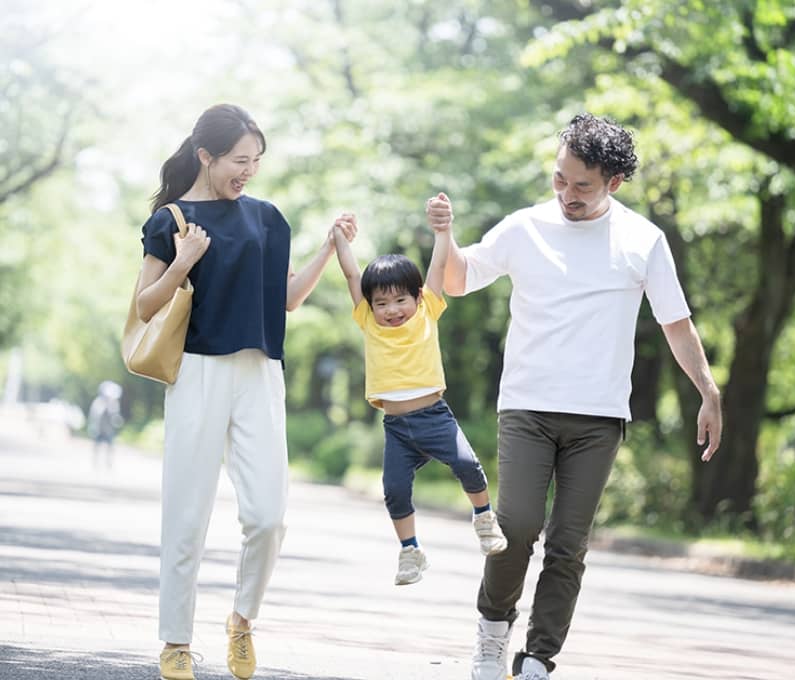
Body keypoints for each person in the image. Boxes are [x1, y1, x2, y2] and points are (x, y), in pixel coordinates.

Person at [429, 113, 723, 680]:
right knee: (515, 527)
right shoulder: (524, 227)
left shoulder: (643, 240)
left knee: (568, 543)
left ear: (613, 181)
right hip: (527, 408)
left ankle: (539, 656)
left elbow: (677, 325)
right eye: (559, 179)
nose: (566, 194)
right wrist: (445, 237)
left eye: (582, 185)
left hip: (599, 418)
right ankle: (492, 633)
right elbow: (458, 281)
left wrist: (708, 391)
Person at [133, 104, 354, 680]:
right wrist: (182, 261)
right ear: (206, 156)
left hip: (261, 373)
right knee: (187, 514)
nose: (248, 170)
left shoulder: (268, 218)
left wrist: (329, 249)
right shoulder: (173, 219)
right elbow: (144, 305)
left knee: (268, 516)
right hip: (199, 374)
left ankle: (241, 621)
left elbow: (285, 298)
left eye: (256, 160)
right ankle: (176, 642)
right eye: (239, 160)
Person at [330, 213, 508, 587]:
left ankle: (484, 519)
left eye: (400, 300)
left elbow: (440, 265)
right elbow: (350, 274)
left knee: (468, 465)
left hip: (434, 417)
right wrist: (339, 240)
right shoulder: (367, 320)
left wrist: (444, 231)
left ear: (417, 297)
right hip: (396, 428)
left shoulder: (427, 310)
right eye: (382, 303)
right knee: (393, 491)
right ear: (371, 306)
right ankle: (410, 551)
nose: (392, 310)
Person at [87, 380, 123, 467]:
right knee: (97, 447)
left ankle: (109, 464)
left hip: (109, 430)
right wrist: (93, 428)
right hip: (99, 429)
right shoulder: (98, 402)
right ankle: (95, 463)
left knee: (110, 447)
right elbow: (95, 416)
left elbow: (115, 416)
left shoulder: (114, 403)